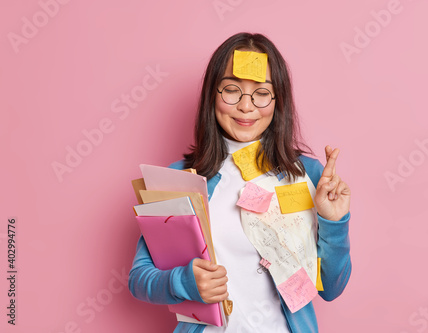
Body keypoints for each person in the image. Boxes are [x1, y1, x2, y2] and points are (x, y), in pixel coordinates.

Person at [128, 32, 352, 333]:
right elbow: (139, 278)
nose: (246, 106)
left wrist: (334, 222)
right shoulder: (179, 179)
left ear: (278, 100)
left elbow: (331, 288)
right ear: (213, 95)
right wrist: (183, 281)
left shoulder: (307, 175)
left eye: (261, 93)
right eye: (232, 90)